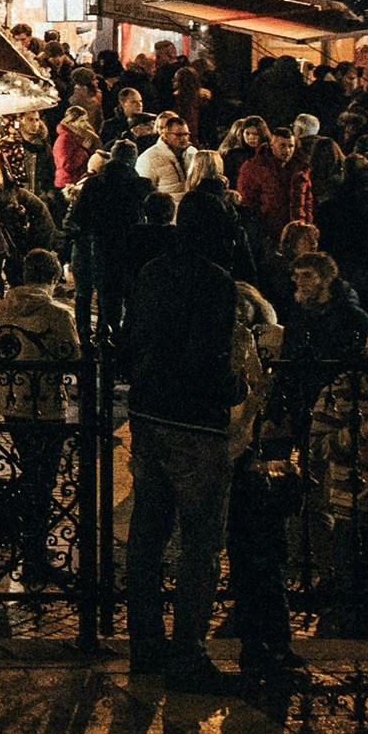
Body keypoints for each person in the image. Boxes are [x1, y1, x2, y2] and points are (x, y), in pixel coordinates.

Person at [117, 196, 246, 692]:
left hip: (149, 411)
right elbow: (207, 354)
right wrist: (231, 391)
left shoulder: (152, 271)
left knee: (148, 533)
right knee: (199, 541)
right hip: (194, 421)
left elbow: (133, 338)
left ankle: (144, 644)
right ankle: (188, 653)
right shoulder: (216, 281)